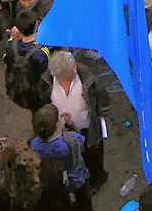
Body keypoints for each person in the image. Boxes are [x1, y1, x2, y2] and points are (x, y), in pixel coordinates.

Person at [45, 50, 109, 190]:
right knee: (74, 157)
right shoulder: (47, 83)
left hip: (88, 130)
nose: (76, 69)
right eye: (71, 69)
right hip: (65, 131)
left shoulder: (87, 78)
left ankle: (97, 180)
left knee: (94, 157)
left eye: (74, 65)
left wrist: (100, 116)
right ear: (60, 75)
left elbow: (103, 98)